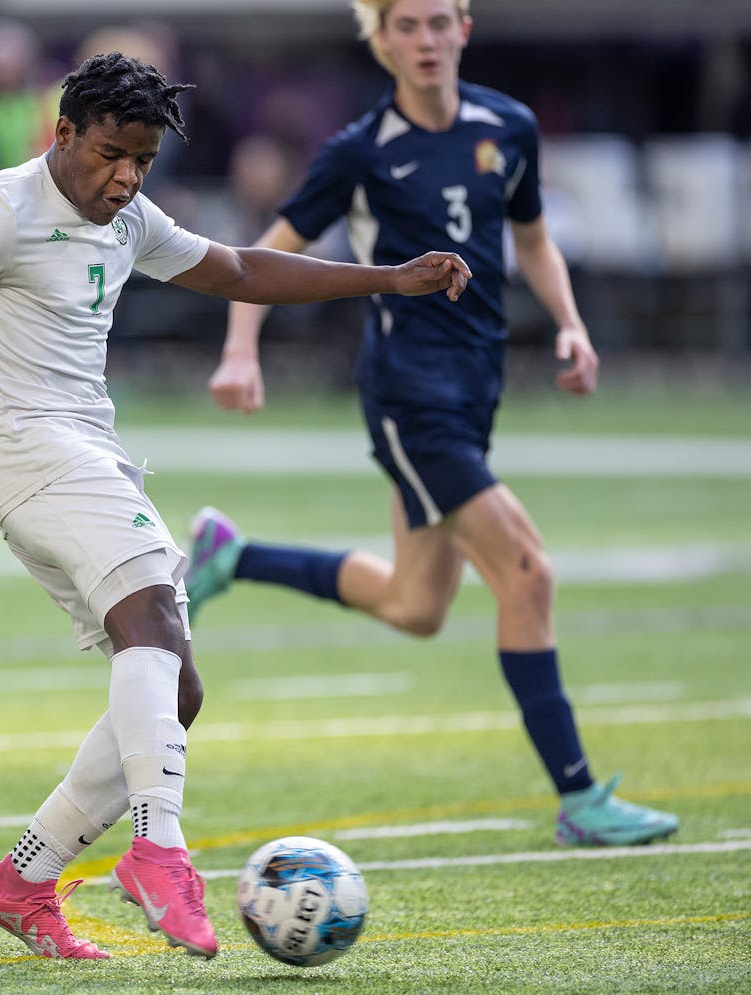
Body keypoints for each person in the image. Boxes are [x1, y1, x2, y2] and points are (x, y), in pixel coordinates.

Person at [0, 51, 469, 960]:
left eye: (141, 160)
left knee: (176, 688)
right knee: (150, 622)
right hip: (33, 453)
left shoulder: (129, 215)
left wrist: (388, 278)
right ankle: (159, 850)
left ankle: (22, 878)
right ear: (62, 133)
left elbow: (242, 271)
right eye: (109, 154)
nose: (125, 177)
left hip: (89, 455)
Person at [188, 0, 678, 847]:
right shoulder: (360, 150)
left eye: (437, 23)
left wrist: (570, 321)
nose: (424, 40)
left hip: (474, 388)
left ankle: (233, 553)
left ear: (465, 30)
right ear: (380, 40)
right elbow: (266, 252)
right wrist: (241, 348)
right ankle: (580, 797)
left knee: (417, 604)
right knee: (527, 573)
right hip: (410, 398)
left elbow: (533, 239)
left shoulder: (507, 126)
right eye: (405, 26)